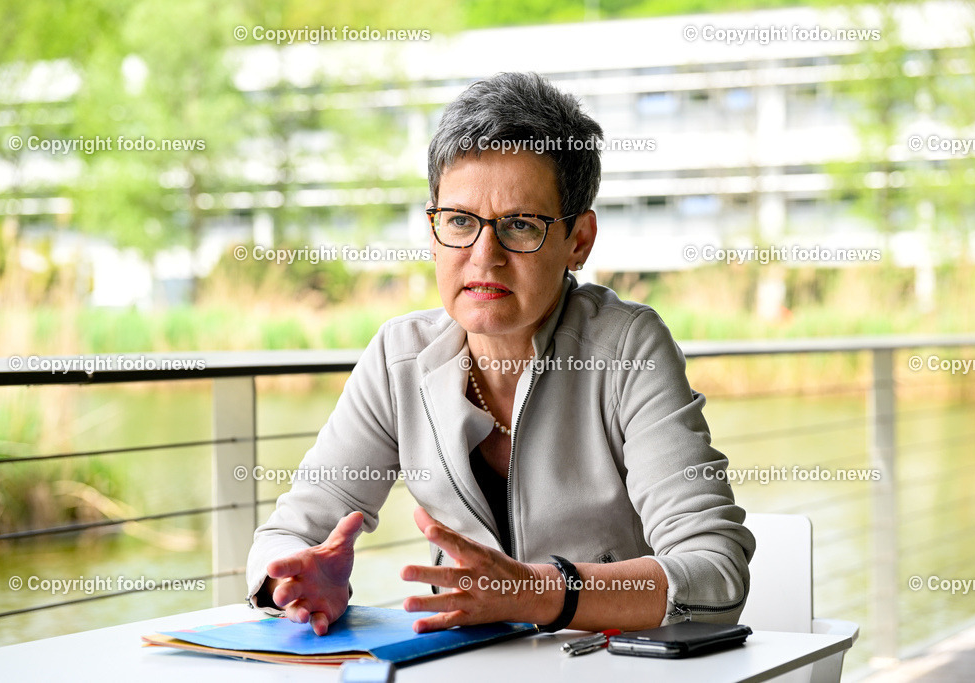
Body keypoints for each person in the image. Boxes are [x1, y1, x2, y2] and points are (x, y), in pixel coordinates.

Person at [246, 72, 755, 637]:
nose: (484, 255)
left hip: (611, 667)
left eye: (520, 225)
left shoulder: (627, 349)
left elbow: (715, 574)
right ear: (433, 229)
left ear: (579, 241)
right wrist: (291, 583)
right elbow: (287, 534)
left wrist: (536, 593)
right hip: (461, 668)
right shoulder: (399, 358)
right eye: (460, 221)